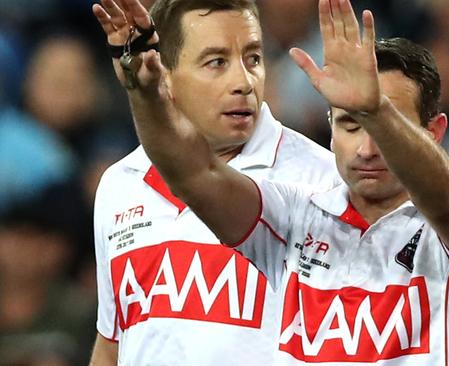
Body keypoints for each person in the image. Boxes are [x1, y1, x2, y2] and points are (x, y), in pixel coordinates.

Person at [109, 0, 449, 364]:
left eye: (386, 127)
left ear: (433, 133)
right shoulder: (294, 216)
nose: (367, 149)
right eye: (349, 124)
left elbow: (446, 198)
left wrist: (376, 110)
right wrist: (145, 91)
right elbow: (194, 174)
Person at [89, 0, 339, 364]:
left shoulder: (323, 184)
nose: (243, 82)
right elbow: (113, 342)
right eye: (217, 62)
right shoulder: (119, 185)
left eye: (253, 58)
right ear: (165, 75)